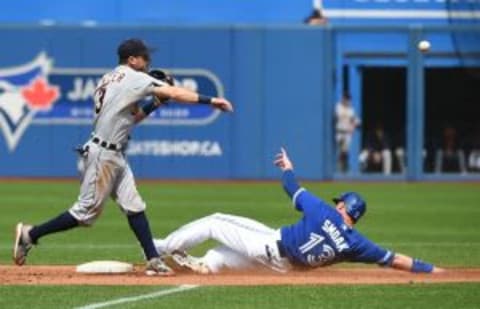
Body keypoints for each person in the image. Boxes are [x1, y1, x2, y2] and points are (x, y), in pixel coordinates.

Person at [13, 38, 234, 276]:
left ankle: (153, 259)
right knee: (85, 212)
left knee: (134, 206)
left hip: (113, 153)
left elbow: (131, 118)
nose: (148, 61)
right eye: (144, 57)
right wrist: (211, 100)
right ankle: (29, 234)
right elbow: (174, 91)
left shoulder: (110, 78)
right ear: (132, 60)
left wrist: (154, 104)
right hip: (103, 155)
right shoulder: (133, 77)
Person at [153, 148, 443, 275]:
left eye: (339, 202)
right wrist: (432, 269)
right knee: (217, 257)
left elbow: (291, 187)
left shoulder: (323, 212)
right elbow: (393, 260)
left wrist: (288, 168)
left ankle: (161, 249)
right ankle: (202, 267)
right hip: (283, 267)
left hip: (268, 246)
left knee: (216, 221)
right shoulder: (356, 244)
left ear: (342, 206)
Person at [335, 92, 360, 173]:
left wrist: (353, 126)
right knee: (337, 150)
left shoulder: (351, 110)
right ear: (343, 99)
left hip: (347, 133)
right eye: (346, 99)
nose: (347, 101)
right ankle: (337, 167)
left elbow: (357, 121)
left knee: (345, 151)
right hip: (339, 131)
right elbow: (336, 117)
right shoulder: (338, 107)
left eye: (348, 99)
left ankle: (343, 167)